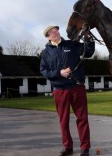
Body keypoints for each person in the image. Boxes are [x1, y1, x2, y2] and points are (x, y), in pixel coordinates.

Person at [40, 25, 95, 156]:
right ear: (48, 37)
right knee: (63, 120)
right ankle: (67, 146)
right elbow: (44, 71)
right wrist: (59, 73)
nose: (55, 32)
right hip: (60, 90)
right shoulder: (46, 53)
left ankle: (85, 148)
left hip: (77, 87)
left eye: (56, 30)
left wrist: (89, 39)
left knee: (82, 118)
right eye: (51, 31)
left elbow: (88, 52)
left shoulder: (72, 44)